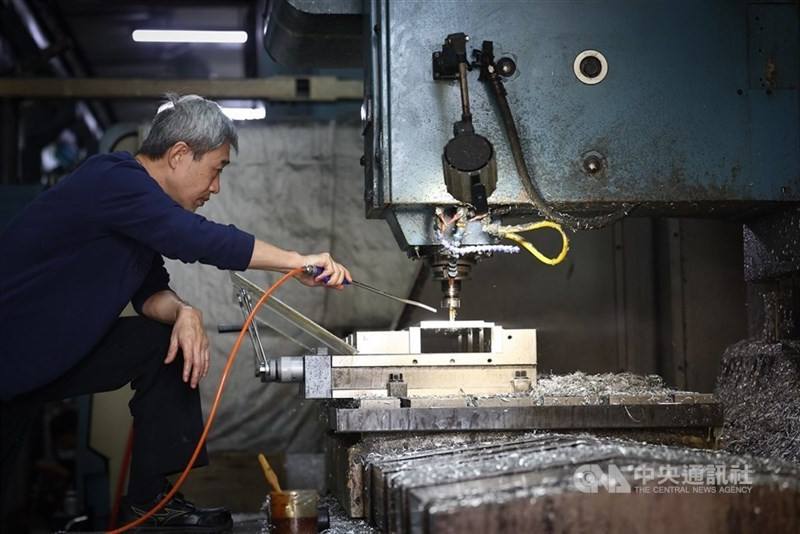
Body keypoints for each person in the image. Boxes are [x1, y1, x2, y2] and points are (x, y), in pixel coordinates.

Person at [0, 94, 351, 532]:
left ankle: (153, 500)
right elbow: (197, 239)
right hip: (12, 356)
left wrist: (185, 313)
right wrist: (295, 260)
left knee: (163, 342)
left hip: (39, 362)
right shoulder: (113, 179)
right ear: (180, 154)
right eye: (216, 169)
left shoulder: (137, 215)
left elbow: (150, 294)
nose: (216, 187)